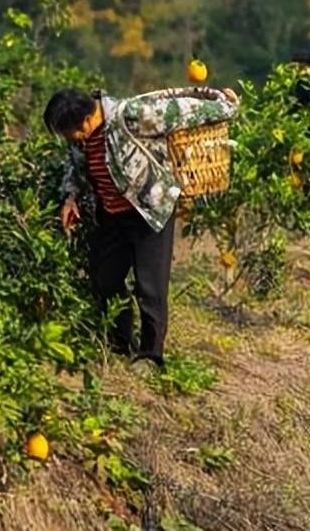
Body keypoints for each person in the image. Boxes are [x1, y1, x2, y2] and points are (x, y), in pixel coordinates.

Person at [43, 86, 240, 368]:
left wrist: (227, 107)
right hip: (111, 214)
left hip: (149, 210)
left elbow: (184, 112)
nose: (70, 140)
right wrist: (70, 197)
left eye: (69, 134)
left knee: (150, 286)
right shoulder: (80, 140)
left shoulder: (131, 115)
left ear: (85, 121)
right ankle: (120, 343)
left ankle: (151, 355)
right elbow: (73, 166)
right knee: (105, 277)